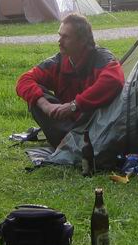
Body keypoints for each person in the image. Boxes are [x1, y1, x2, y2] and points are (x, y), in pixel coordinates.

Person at [16, 13, 124, 148]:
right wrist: (46, 106)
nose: (59, 41)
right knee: (36, 96)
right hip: (67, 126)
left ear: (82, 40)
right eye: (59, 35)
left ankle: (75, 144)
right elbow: (24, 80)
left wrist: (74, 105)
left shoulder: (101, 58)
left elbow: (113, 80)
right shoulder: (59, 62)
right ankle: (69, 142)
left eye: (65, 37)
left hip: (97, 126)